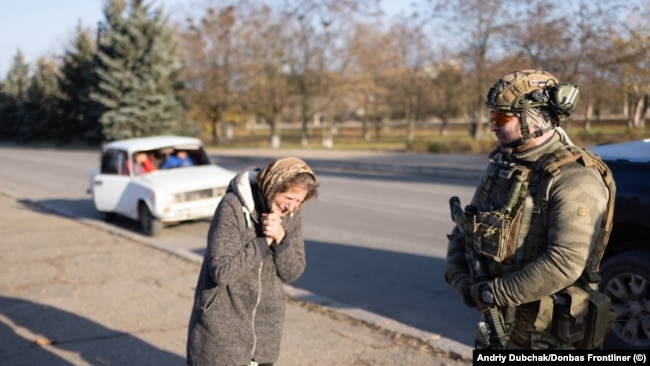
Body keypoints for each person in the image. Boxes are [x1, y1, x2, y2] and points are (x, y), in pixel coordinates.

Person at [444, 69, 616, 350]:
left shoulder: (574, 176)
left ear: (535, 120)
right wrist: (458, 275)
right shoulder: (503, 164)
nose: (493, 127)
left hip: (547, 335)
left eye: (501, 118)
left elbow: (564, 262)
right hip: (496, 323)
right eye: (492, 118)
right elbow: (466, 225)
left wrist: (491, 293)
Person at [187, 157, 319, 366]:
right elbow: (222, 271)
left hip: (266, 326)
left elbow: (292, 272)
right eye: (288, 197)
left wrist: (281, 238)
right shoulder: (233, 206)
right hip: (223, 322)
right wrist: (265, 241)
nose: (290, 207)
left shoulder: (291, 215)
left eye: (298, 201)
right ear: (272, 185)